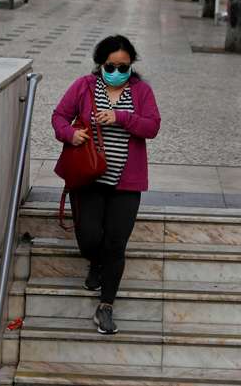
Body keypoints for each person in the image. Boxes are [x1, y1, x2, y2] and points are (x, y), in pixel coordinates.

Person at [52, 35, 161, 335]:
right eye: (111, 66)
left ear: (131, 65)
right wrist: (69, 135)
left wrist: (121, 117)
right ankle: (95, 262)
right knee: (89, 238)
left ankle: (106, 307)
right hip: (88, 178)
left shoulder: (141, 92)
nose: (117, 71)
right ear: (100, 64)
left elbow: (152, 126)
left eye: (123, 66)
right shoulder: (84, 86)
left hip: (126, 183)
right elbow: (59, 116)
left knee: (116, 243)